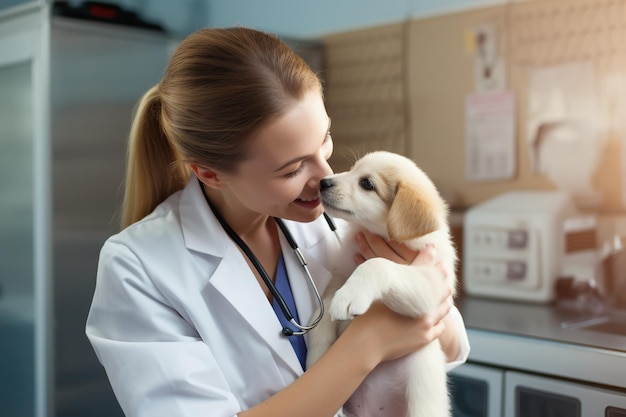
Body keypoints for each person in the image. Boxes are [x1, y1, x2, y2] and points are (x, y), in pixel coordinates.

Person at [85, 26, 470, 417]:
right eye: (291, 170)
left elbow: (450, 345)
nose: (324, 177)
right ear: (211, 174)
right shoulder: (138, 268)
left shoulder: (334, 222)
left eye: (325, 140)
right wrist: (367, 345)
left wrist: (421, 309)